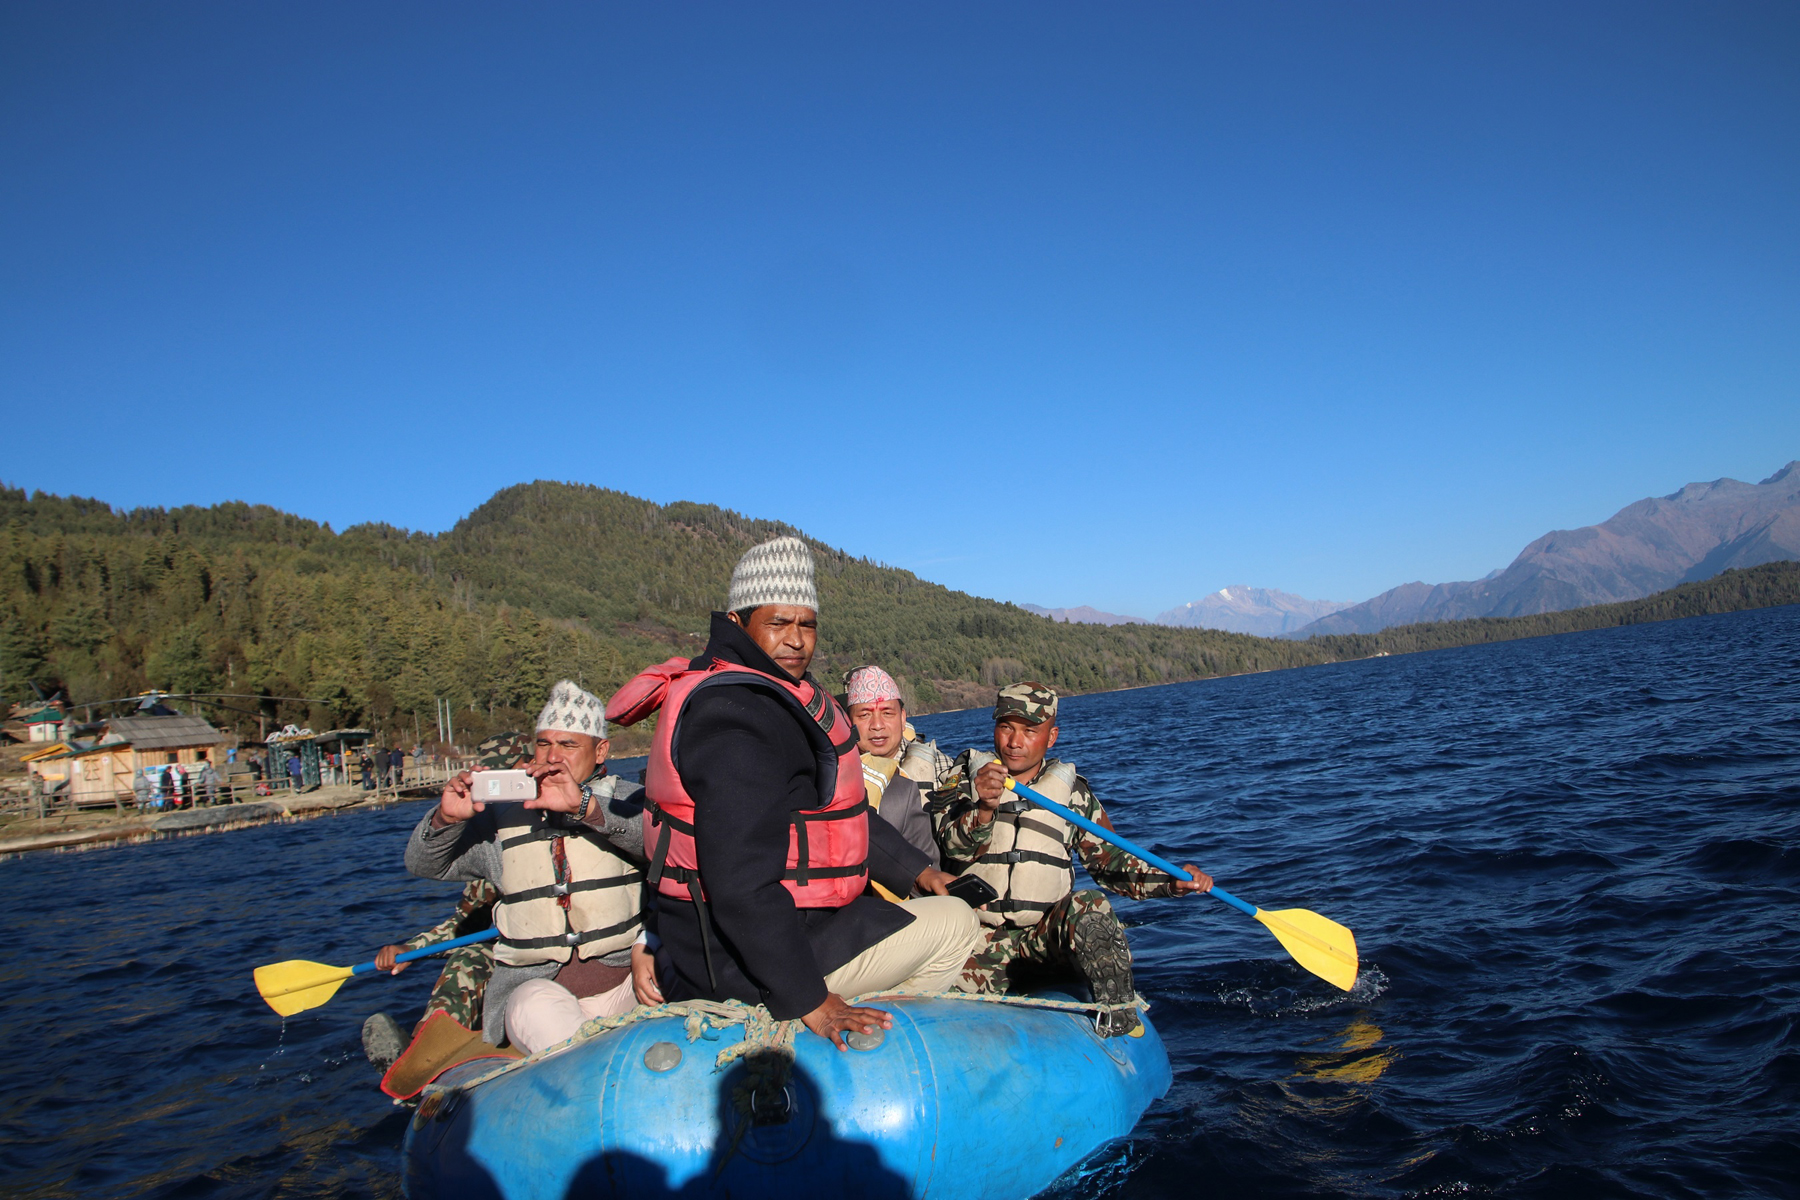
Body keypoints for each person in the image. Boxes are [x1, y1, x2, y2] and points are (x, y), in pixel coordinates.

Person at [608, 537, 981, 1051]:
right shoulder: (736, 718)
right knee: (958, 926)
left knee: (936, 902)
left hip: (779, 932)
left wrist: (920, 871)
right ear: (739, 623)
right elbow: (738, 881)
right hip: (737, 967)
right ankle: (856, 1052)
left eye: (807, 624)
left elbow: (834, 815)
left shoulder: (771, 697)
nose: (796, 640)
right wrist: (810, 999)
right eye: (778, 623)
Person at [931, 682, 1214, 1036]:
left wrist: (1171, 882)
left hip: (1042, 942)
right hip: (975, 942)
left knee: (1091, 905)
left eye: (1030, 731)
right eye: (1006, 727)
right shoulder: (962, 782)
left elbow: (1111, 863)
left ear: (1051, 738)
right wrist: (984, 808)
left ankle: (1119, 1018)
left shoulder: (1074, 795)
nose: (1014, 742)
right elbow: (953, 846)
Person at [405, 689, 652, 1053]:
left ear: (600, 751)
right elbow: (424, 863)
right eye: (543, 743)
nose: (552, 756)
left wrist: (585, 807)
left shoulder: (630, 800)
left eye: (568, 745)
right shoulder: (498, 819)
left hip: (627, 983)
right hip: (539, 994)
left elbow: (664, 844)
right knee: (534, 1006)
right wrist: (446, 819)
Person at [361, 878, 503, 1070]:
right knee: (467, 960)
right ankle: (420, 1061)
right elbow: (467, 926)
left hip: (553, 954)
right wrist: (410, 949)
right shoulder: (496, 856)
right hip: (515, 952)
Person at [842, 665, 941, 878]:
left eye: (887, 713)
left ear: (903, 717)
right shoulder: (833, 774)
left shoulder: (941, 767)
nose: (877, 725)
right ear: (849, 721)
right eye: (865, 715)